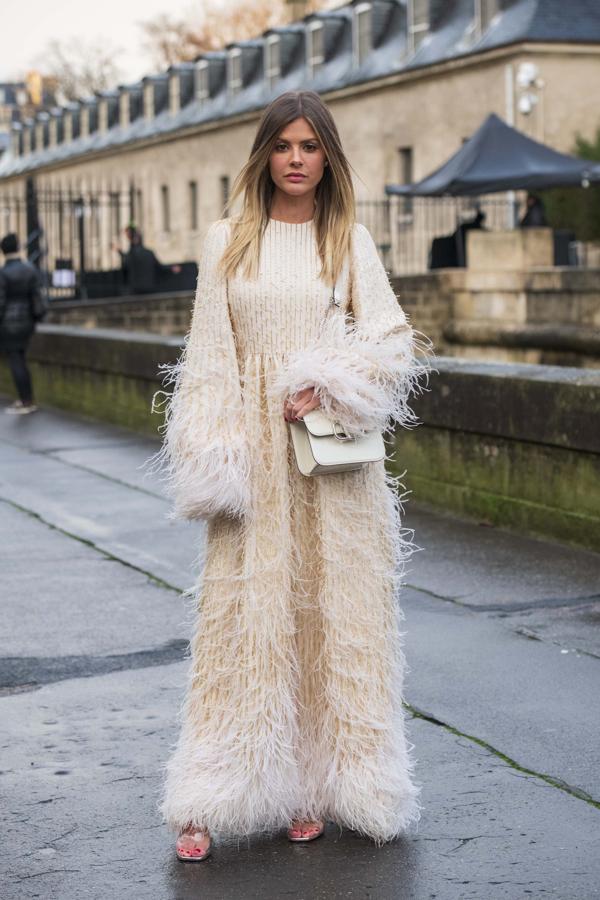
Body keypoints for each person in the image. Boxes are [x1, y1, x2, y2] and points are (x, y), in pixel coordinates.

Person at [147, 90, 432, 862]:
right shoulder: (228, 241)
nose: (297, 159)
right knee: (243, 625)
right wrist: (216, 457)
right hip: (254, 458)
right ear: (264, 155)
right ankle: (211, 790)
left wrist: (328, 379)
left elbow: (392, 340)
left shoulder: (348, 242)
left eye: (310, 146)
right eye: (283, 146)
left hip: (329, 466)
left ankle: (315, 784)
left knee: (328, 616)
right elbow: (209, 352)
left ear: (327, 157)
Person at [0, 232, 47, 415]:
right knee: (21, 359)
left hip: (9, 325)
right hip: (27, 322)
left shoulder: (3, 274)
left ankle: (26, 401)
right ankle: (27, 399)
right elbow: (37, 298)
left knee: (16, 361)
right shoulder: (30, 269)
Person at [112, 225, 181, 294]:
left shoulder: (132, 255)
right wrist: (172, 268)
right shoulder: (149, 253)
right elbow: (160, 267)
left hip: (136, 291)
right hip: (149, 289)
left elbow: (126, 264)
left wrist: (119, 251)